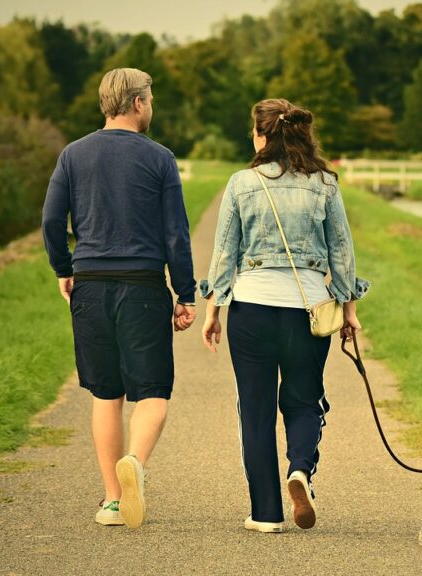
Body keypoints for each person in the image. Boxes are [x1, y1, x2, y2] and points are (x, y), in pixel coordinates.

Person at [199, 99, 369, 533]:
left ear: (262, 135)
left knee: (255, 410)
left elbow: (224, 255)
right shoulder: (325, 185)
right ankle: (300, 470)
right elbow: (342, 254)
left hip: (251, 309)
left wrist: (213, 311)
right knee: (304, 399)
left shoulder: (241, 184)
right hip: (308, 311)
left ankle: (266, 513)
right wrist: (349, 311)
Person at [41, 68, 197, 529]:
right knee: (152, 393)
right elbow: (176, 234)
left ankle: (112, 499)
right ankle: (135, 462)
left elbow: (52, 221)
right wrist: (184, 293)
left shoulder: (73, 155)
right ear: (136, 104)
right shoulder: (160, 159)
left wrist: (63, 269)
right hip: (142, 287)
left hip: (89, 284)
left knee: (106, 395)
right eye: (149, 99)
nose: (151, 107)